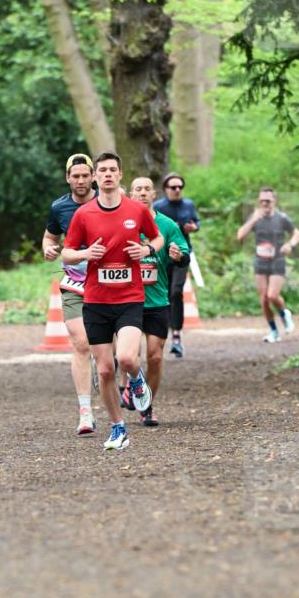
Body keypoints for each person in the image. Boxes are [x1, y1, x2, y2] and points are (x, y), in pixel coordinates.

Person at [62, 152, 164, 451]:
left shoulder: (137, 210)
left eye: (112, 170)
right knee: (105, 370)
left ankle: (136, 379)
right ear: (96, 177)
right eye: (102, 170)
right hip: (96, 300)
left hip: (130, 297)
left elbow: (157, 238)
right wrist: (85, 254)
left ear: (120, 176)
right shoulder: (84, 214)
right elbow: (66, 253)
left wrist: (146, 250)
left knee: (128, 357)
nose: (107, 174)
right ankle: (118, 427)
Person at [125, 176, 190, 427]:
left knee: (155, 357)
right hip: (127, 300)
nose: (142, 193)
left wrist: (178, 255)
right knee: (130, 356)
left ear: (154, 194)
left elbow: (184, 253)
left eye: (147, 189)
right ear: (131, 195)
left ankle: (147, 406)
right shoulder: (122, 222)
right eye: (138, 189)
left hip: (157, 300)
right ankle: (131, 384)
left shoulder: (167, 225)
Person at [42, 153, 97, 436]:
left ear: (93, 176)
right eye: (75, 176)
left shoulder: (108, 202)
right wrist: (48, 248)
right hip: (75, 283)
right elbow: (50, 237)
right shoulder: (59, 207)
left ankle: (110, 368)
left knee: (107, 347)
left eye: (85, 175)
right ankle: (85, 412)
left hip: (108, 283)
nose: (80, 180)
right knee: (81, 343)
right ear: (67, 178)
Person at [236, 186, 299, 342]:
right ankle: (274, 331)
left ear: (274, 201)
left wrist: (290, 245)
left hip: (277, 260)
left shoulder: (281, 218)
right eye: (262, 201)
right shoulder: (255, 218)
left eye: (268, 201)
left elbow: (297, 234)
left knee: (272, 295)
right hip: (260, 261)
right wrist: (253, 220)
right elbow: (240, 236)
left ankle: (284, 313)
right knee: (264, 299)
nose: (265, 203)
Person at [154, 172, 200, 357]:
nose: (177, 190)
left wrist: (194, 227)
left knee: (176, 292)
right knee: (164, 293)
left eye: (180, 187)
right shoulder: (158, 207)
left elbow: (196, 221)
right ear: (165, 189)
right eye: (173, 187)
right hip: (162, 256)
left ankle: (176, 335)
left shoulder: (188, 204)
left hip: (182, 255)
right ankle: (160, 332)